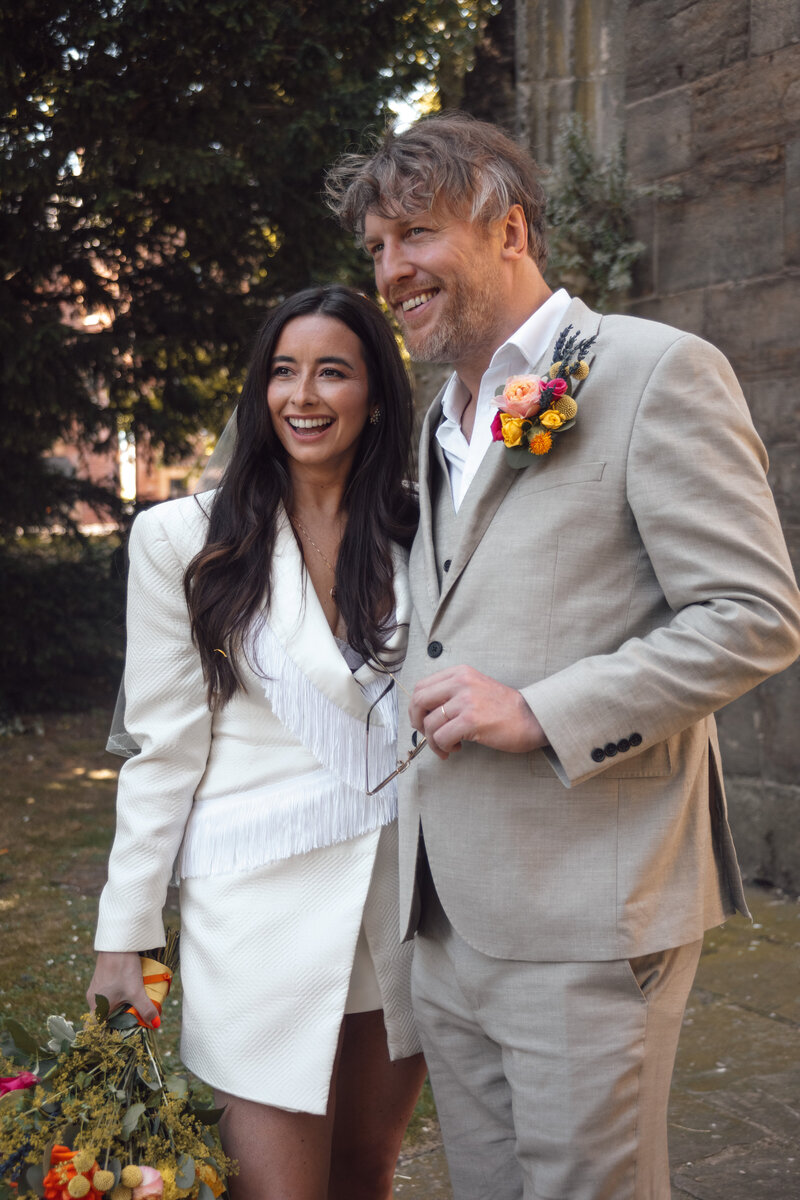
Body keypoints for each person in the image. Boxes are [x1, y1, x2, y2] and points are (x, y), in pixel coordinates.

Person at [325, 114, 800, 1199]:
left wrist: (539, 710)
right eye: (377, 250)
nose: (391, 272)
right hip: (444, 912)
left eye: (415, 235)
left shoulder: (649, 370)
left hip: (588, 905)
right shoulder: (439, 419)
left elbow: (751, 612)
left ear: (508, 228)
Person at [88, 285, 427, 1200]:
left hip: (397, 900)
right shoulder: (180, 539)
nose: (303, 395)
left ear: (376, 393)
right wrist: (126, 936)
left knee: (366, 1171)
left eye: (332, 371)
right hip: (256, 909)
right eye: (283, 371)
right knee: (275, 1188)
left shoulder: (420, 525)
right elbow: (164, 748)